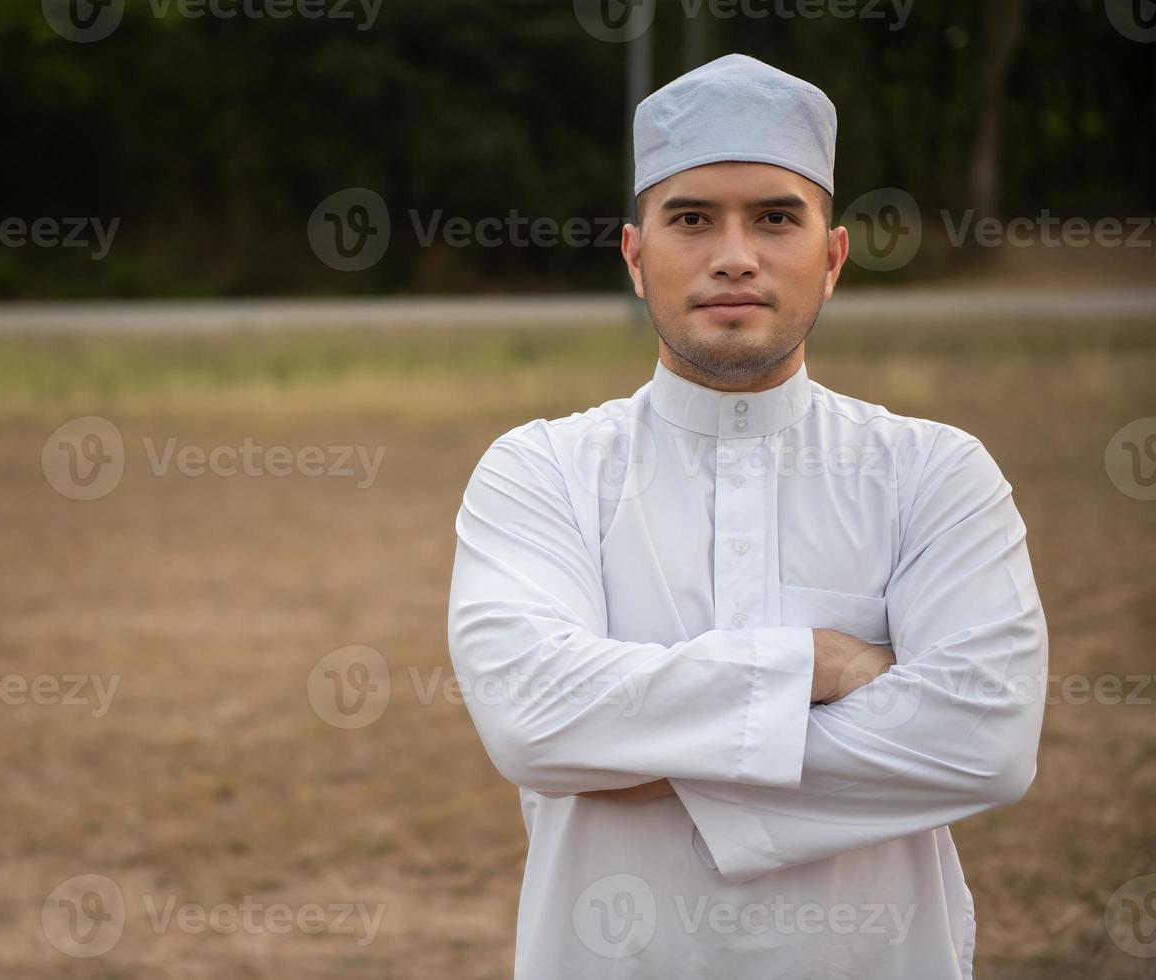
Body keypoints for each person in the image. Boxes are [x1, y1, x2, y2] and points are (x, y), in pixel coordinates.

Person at [446, 52, 1046, 979]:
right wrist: (821, 663)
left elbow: (984, 742)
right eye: (690, 218)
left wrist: (637, 752)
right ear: (635, 256)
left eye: (775, 217)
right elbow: (531, 721)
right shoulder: (541, 471)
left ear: (832, 257)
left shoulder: (933, 473)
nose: (735, 253)